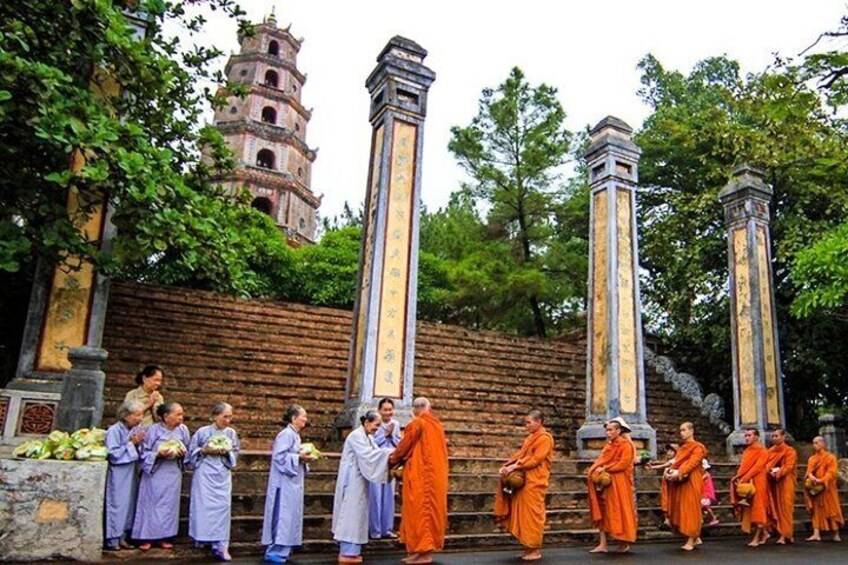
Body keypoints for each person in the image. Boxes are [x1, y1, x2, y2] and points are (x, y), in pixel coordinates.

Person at [388, 397, 448, 565]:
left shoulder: (418, 424)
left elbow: (404, 446)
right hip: (434, 475)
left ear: (414, 410)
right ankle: (417, 551)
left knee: (421, 511)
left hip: (423, 475)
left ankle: (424, 553)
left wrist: (393, 460)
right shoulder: (437, 425)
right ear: (429, 408)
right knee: (417, 511)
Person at [332, 411, 394, 564]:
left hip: (360, 480)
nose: (377, 429)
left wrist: (389, 454)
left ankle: (353, 551)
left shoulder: (368, 438)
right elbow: (369, 456)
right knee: (350, 513)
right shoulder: (356, 436)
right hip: (352, 479)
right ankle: (347, 551)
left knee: (358, 513)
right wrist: (390, 453)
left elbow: (376, 453)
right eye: (376, 425)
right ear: (367, 422)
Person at [493, 409, 554, 561]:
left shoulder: (545, 438)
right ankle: (526, 547)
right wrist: (507, 465)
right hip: (524, 480)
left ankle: (535, 550)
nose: (526, 426)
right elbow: (521, 455)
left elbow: (536, 459)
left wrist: (516, 467)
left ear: (539, 422)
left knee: (532, 514)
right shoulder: (530, 439)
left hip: (535, 481)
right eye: (525, 423)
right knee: (522, 514)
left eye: (529, 422)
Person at [132, 402, 190, 551]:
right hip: (155, 472)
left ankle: (165, 536)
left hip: (172, 473)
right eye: (177, 415)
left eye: (181, 415)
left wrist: (182, 454)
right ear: (165, 416)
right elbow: (143, 453)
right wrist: (158, 454)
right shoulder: (153, 431)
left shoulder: (183, 430)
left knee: (169, 506)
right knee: (151, 504)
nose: (181, 418)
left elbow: (188, 451)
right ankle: (146, 537)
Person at [262, 405, 316, 563]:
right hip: (283, 483)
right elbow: (279, 457)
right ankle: (275, 549)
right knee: (281, 516)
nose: (305, 419)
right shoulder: (285, 434)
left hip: (293, 482)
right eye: (303, 416)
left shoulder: (295, 435)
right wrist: (298, 457)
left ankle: (285, 548)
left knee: (290, 515)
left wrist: (302, 457)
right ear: (294, 418)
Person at [188, 402, 240, 562]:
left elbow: (235, 451)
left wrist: (227, 453)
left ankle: (221, 545)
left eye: (230, 417)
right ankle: (202, 537)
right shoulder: (203, 432)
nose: (228, 420)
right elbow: (192, 451)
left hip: (222, 474)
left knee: (222, 509)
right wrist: (204, 450)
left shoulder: (231, 433)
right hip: (205, 473)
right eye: (225, 417)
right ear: (215, 416)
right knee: (202, 506)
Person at [587, 418, 636, 554]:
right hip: (606, 484)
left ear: (618, 431)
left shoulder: (626, 445)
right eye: (607, 430)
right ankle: (603, 544)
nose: (608, 433)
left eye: (610, 430)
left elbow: (623, 464)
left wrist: (605, 468)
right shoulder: (608, 446)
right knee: (603, 510)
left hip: (619, 483)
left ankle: (623, 542)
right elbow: (601, 460)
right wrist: (595, 469)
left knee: (619, 511)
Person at [104, 399, 146, 550]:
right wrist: (131, 444)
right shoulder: (114, 430)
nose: (140, 419)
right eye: (137, 415)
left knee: (129, 503)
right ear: (126, 415)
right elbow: (113, 454)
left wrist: (138, 444)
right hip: (119, 472)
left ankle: (123, 536)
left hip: (132, 470)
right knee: (118, 503)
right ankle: (112, 538)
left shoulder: (136, 429)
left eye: (141, 415)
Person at [665, 421, 707, 551]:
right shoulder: (683, 448)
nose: (682, 433)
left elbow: (693, 463)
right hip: (682, 481)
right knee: (682, 507)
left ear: (691, 431)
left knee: (691, 508)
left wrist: (679, 472)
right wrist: (670, 471)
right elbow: (677, 462)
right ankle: (695, 536)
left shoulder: (698, 447)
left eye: (684, 430)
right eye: (681, 430)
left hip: (692, 480)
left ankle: (691, 538)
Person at [369, 398, 402, 540]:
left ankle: (387, 528)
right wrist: (385, 435)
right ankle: (375, 530)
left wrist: (393, 437)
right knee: (375, 495)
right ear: (379, 410)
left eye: (390, 410)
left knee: (388, 496)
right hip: (377, 462)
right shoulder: (375, 424)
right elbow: (372, 443)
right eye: (385, 410)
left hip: (390, 462)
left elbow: (399, 443)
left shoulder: (396, 424)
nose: (388, 413)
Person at [731, 428, 770, 547]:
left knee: (758, 508)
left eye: (749, 435)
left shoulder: (762, 451)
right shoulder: (747, 451)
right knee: (750, 508)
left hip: (758, 481)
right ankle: (764, 533)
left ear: (756, 437)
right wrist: (738, 477)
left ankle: (756, 537)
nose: (747, 438)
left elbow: (758, 467)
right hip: (747, 481)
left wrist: (744, 478)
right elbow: (744, 466)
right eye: (746, 435)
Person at [804, 436, 844, 542]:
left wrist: (822, 480)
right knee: (816, 510)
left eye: (817, 443)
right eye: (813, 443)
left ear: (823, 444)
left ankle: (836, 533)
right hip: (816, 487)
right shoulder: (812, 458)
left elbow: (832, 472)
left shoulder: (830, 457)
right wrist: (813, 478)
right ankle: (816, 533)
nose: (814, 445)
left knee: (832, 509)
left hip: (827, 488)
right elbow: (809, 472)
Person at [766, 428, 796, 544]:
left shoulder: (790, 451)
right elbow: (766, 464)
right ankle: (784, 533)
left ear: (783, 437)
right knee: (776, 508)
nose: (774, 438)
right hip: (774, 483)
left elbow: (789, 466)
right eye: (773, 436)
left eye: (777, 436)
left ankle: (785, 534)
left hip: (786, 482)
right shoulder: (771, 451)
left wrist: (778, 473)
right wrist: (770, 472)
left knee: (786, 508)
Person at [647, 443, 678, 528]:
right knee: (665, 501)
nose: (669, 452)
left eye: (671, 451)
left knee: (670, 501)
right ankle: (667, 519)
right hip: (667, 485)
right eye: (668, 450)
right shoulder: (670, 460)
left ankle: (669, 520)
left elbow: (664, 465)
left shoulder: (676, 461)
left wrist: (653, 467)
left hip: (672, 485)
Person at [701, 459, 719, 526]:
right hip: (704, 495)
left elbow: (699, 482)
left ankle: (712, 518)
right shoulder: (704, 475)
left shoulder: (706, 475)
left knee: (702, 504)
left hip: (708, 496)